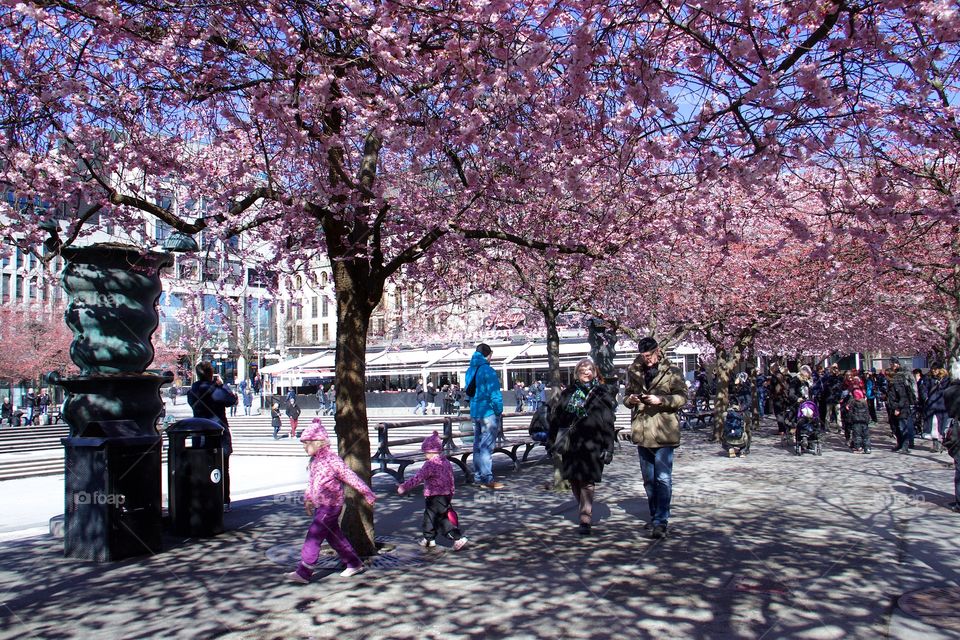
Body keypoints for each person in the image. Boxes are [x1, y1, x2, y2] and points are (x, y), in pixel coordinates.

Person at [286, 419, 375, 583]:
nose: (304, 447)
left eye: (306, 443)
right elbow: (311, 482)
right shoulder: (315, 461)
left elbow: (350, 476)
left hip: (330, 506)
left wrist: (367, 492)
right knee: (334, 536)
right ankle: (354, 563)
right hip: (321, 506)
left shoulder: (332, 460)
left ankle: (304, 572)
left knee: (314, 535)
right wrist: (308, 499)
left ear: (318, 442)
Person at [624, 336, 688, 539]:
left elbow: (682, 397)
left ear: (657, 351)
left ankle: (661, 521)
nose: (647, 359)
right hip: (643, 432)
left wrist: (661, 400)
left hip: (664, 431)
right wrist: (631, 399)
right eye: (643, 356)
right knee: (649, 480)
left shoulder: (672, 371)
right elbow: (626, 396)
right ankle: (654, 516)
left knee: (663, 478)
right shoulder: (634, 371)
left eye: (649, 355)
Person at [547, 358, 617, 535]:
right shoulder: (568, 393)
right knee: (574, 480)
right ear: (576, 374)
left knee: (587, 481)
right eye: (582, 370)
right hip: (572, 444)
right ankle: (583, 508)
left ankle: (585, 518)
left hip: (593, 443)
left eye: (589, 370)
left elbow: (608, 422)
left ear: (594, 372)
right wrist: (551, 441)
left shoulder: (602, 393)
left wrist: (609, 447)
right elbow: (556, 418)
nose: (586, 373)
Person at [397, 431, 469, 550]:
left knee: (441, 519)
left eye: (425, 452)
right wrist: (451, 492)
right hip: (445, 495)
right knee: (429, 517)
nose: (425, 455)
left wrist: (404, 487)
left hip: (434, 496)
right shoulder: (445, 462)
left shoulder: (430, 465)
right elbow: (451, 478)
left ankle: (457, 538)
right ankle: (429, 539)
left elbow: (418, 478)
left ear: (431, 451)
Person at [188, 361, 238, 510]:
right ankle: (223, 500)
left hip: (199, 435)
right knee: (223, 468)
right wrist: (222, 385)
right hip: (218, 434)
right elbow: (232, 400)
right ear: (211, 374)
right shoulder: (216, 391)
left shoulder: (192, 392)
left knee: (201, 469)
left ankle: (203, 500)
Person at [464, 343, 504, 490]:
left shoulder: (470, 370)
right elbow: (495, 393)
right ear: (488, 355)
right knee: (486, 446)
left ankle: (478, 477)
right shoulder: (488, 370)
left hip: (475, 412)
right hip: (488, 412)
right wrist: (498, 410)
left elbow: (468, 392)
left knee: (477, 445)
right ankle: (487, 478)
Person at [887, 358, 916, 453]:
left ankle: (905, 446)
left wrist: (898, 408)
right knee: (895, 427)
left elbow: (903, 396)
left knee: (903, 426)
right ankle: (899, 444)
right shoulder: (891, 383)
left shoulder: (898, 381)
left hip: (902, 408)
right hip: (893, 406)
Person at [848, 388, 871, 453]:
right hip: (864, 421)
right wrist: (867, 419)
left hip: (856, 421)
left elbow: (850, 412)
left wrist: (849, 420)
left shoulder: (853, 402)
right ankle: (867, 448)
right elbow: (867, 412)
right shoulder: (864, 402)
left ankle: (858, 447)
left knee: (857, 435)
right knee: (865, 435)